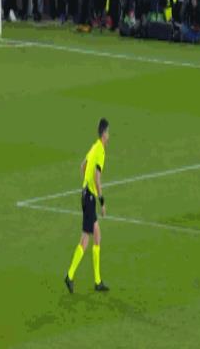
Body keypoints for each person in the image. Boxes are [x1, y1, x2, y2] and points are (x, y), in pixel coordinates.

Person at [65, 118, 110, 294]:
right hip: (90, 198)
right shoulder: (101, 151)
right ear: (104, 133)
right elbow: (97, 179)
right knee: (85, 239)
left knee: (97, 236)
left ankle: (98, 281)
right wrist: (102, 201)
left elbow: (82, 166)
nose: (109, 135)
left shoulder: (93, 147)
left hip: (85, 195)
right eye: (108, 132)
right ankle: (70, 275)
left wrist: (86, 184)